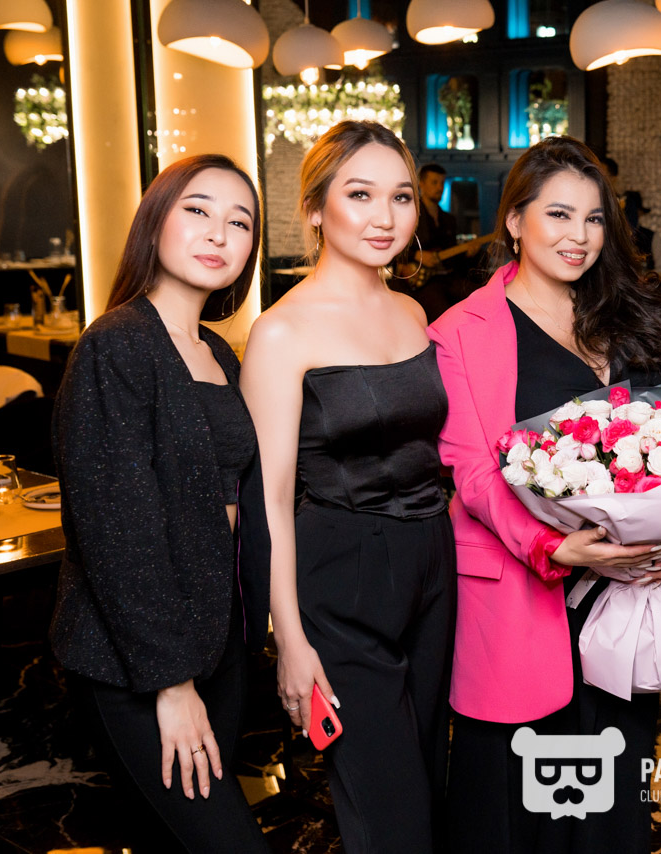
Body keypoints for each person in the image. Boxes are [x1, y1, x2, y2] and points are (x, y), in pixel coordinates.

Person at [431, 135, 661, 854]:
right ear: (514, 221)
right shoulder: (461, 332)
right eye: (558, 214)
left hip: (622, 602)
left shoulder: (621, 316)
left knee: (610, 808)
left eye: (593, 218)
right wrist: (553, 547)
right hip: (521, 595)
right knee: (515, 812)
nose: (578, 235)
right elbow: (475, 473)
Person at [239, 121, 453, 853]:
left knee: (428, 777)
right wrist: (289, 640)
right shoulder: (281, 332)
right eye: (360, 195)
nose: (385, 217)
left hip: (434, 560)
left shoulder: (413, 312)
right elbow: (269, 500)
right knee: (387, 806)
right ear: (314, 208)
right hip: (343, 572)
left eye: (401, 197)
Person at [50, 154, 269, 852]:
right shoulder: (116, 346)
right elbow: (117, 531)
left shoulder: (217, 353)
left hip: (217, 641)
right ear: (155, 222)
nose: (219, 233)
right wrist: (171, 685)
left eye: (240, 222)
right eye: (197, 210)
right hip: (138, 661)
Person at [405, 162, 471, 318]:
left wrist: (468, 253)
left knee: (478, 294)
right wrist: (417, 255)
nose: (440, 187)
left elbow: (453, 256)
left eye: (442, 183)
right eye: (434, 182)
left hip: (447, 276)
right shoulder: (409, 215)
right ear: (421, 184)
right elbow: (395, 249)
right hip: (422, 281)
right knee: (442, 311)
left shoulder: (449, 219)